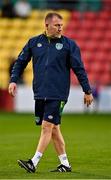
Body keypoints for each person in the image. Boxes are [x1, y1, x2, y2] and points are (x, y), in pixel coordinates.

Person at [8, 12, 93, 173]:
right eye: (57, 25)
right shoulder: (34, 43)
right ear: (47, 25)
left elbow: (79, 68)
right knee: (54, 129)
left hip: (58, 93)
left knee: (47, 127)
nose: (61, 28)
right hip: (40, 92)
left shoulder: (69, 45)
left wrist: (87, 90)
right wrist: (13, 80)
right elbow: (20, 62)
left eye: (61, 25)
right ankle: (65, 164)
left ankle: (33, 162)